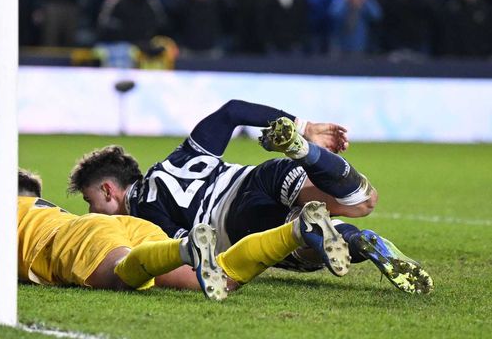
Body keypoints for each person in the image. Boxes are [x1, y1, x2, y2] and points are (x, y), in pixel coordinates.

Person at [68, 100, 432, 294]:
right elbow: (232, 112)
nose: (91, 211)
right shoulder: (177, 159)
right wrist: (305, 126)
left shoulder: (141, 214)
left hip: (241, 222)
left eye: (90, 202)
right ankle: (305, 153)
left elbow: (186, 250)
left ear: (108, 190)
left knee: (302, 245)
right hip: (259, 177)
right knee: (362, 202)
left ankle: (341, 238)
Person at [0, 170, 350, 300]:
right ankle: (295, 231)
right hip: (126, 226)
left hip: (80, 241)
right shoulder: (46, 207)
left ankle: (182, 247)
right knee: (221, 278)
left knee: (124, 275)